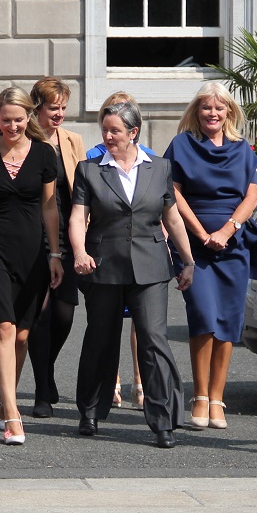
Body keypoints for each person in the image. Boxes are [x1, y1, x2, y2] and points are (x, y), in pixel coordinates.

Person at [69, 101, 195, 449]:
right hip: (103, 263)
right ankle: (91, 410)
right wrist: (79, 252)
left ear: (133, 132)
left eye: (115, 131)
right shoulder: (89, 169)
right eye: (105, 130)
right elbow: (78, 217)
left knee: (154, 338)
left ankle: (163, 420)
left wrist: (188, 261)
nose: (107, 136)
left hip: (151, 265)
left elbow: (172, 219)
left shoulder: (159, 168)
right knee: (101, 337)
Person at [164, 82, 257, 430]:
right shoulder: (182, 145)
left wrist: (226, 232)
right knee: (203, 316)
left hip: (233, 244)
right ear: (197, 111)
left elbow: (251, 197)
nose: (213, 113)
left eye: (220, 108)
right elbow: (173, 195)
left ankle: (218, 398)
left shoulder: (242, 149)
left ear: (229, 112)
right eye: (207, 107)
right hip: (194, 246)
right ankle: (200, 397)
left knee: (227, 323)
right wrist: (201, 235)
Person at [0, 87, 63, 445]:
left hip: (33, 251)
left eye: (18, 119)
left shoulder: (44, 154)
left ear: (29, 118)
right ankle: (12, 413)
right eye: (5, 120)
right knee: (3, 328)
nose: (12, 126)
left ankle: (3, 400)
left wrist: (55, 254)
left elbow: (50, 207)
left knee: (22, 334)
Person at [85, 91, 155, 410]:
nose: (111, 134)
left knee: (142, 324)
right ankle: (111, 381)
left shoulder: (151, 158)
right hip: (108, 251)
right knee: (108, 321)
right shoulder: (94, 156)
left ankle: (140, 382)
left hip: (140, 251)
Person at [26, 77, 87, 418]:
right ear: (37, 108)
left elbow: (82, 189)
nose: (60, 114)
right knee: (40, 314)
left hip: (67, 232)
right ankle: (41, 390)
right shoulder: (23, 139)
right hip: (32, 233)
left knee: (64, 313)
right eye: (53, 108)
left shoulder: (72, 140)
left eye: (64, 107)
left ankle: (46, 369)